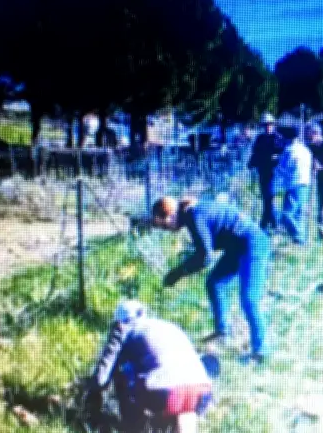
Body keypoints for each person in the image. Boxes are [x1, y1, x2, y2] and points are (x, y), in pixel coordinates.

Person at [152, 196, 271, 365]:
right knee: (215, 283)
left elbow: (205, 257)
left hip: (253, 243)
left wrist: (178, 273)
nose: (166, 230)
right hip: (237, 246)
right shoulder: (190, 214)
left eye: (164, 226)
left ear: (169, 215)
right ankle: (223, 332)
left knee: (250, 299)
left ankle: (261, 351)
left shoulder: (193, 215)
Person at [88, 300, 214, 432]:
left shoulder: (123, 328)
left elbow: (100, 379)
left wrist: (92, 396)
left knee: (123, 372)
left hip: (166, 391)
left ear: (120, 320)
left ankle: (133, 429)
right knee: (183, 403)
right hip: (202, 389)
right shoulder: (167, 326)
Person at [247, 113, 284, 234]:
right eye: (265, 125)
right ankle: (270, 223)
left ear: (273, 125)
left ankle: (269, 223)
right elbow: (255, 153)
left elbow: (283, 155)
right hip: (262, 172)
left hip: (274, 173)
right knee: (266, 198)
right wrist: (251, 163)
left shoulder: (278, 138)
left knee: (269, 198)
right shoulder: (260, 138)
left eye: (269, 124)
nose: (267, 127)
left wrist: (276, 157)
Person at [276, 128, 313, 245]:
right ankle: (298, 241)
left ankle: (300, 237)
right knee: (299, 213)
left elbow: (281, 168)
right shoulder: (306, 150)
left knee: (287, 214)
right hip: (306, 184)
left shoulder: (289, 150)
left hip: (293, 185)